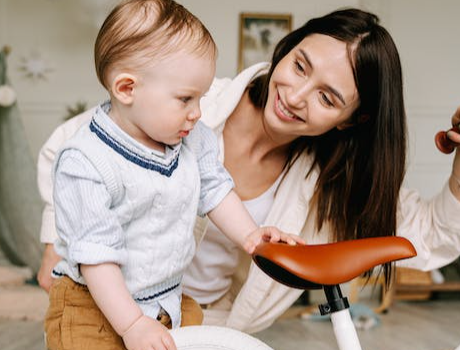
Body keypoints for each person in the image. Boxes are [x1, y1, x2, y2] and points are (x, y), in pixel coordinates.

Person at [38, 7, 460, 335]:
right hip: (111, 304)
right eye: (299, 65)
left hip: (203, 322)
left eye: (327, 99)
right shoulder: (193, 108)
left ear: (352, 120)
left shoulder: (337, 182)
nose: (295, 96)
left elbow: (431, 234)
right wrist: (58, 240)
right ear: (287, 47)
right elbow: (70, 146)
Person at [43, 1, 303, 350]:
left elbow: (216, 190)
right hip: (92, 304)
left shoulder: (192, 139)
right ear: (127, 89)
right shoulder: (86, 162)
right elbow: (97, 258)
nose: (197, 113)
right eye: (185, 99)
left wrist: (252, 236)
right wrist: (133, 323)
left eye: (201, 97)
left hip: (166, 298)